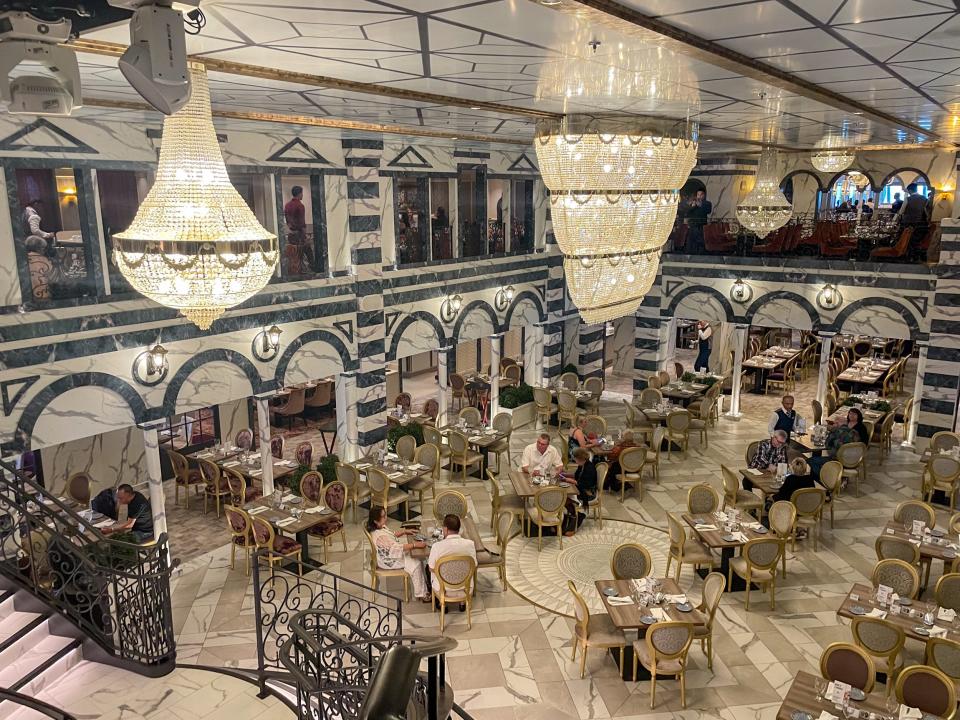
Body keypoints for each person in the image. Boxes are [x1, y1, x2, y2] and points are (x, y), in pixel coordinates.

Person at [366, 506, 429, 602]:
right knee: (416, 563)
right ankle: (423, 594)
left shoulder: (379, 527)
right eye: (383, 516)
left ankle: (424, 584)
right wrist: (415, 544)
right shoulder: (380, 537)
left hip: (389, 554)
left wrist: (405, 531)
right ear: (375, 521)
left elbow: (392, 534)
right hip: (388, 560)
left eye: (385, 514)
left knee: (417, 557)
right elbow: (397, 548)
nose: (386, 517)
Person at [427, 514, 476, 608]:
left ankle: (441, 604)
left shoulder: (437, 547)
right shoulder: (470, 544)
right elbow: (474, 565)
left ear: (445, 529)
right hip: (465, 586)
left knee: (428, 567)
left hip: (443, 587)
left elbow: (431, 568)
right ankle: (462, 604)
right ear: (459, 528)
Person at [807, 408, 868, 478]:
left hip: (840, 460)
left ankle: (826, 480)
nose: (851, 415)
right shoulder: (854, 433)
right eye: (850, 413)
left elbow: (828, 445)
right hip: (854, 460)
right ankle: (834, 478)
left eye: (836, 423)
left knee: (812, 460)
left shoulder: (838, 432)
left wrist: (833, 431)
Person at [561, 448, 596, 536]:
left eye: (575, 458)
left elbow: (585, 484)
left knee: (563, 498)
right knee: (563, 497)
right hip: (581, 488)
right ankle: (575, 515)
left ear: (579, 458)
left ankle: (576, 516)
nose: (574, 460)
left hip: (588, 493)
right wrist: (565, 475)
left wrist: (571, 481)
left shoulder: (589, 468)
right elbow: (577, 476)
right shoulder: (582, 465)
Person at [283, 185, 313, 273]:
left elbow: (288, 220)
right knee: (308, 251)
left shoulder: (287, 205)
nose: (302, 195)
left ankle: (298, 269)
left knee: (296, 254)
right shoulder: (300, 205)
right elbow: (301, 222)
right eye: (302, 193)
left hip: (291, 234)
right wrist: (305, 235)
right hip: (299, 235)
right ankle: (311, 267)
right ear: (299, 194)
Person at [684, 189, 712, 254]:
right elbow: (687, 213)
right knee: (691, 241)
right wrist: (693, 206)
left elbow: (708, 211)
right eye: (698, 195)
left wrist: (700, 205)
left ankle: (700, 255)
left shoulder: (707, 203)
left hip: (701, 226)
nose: (699, 196)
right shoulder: (693, 203)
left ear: (704, 195)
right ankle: (690, 255)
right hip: (692, 226)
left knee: (700, 241)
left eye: (701, 194)